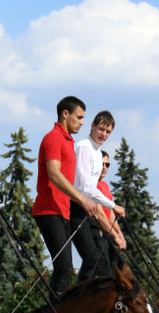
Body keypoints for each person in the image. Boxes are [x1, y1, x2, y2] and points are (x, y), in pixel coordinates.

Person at [32, 96, 100, 297]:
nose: (82, 122)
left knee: (67, 267)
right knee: (63, 266)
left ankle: (64, 311)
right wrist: (82, 200)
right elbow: (54, 174)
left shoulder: (67, 141)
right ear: (65, 114)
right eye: (79, 117)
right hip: (49, 209)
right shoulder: (53, 137)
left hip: (62, 210)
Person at [72, 112, 126, 281]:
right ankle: (78, 298)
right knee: (92, 258)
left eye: (108, 131)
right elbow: (86, 187)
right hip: (75, 206)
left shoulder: (96, 153)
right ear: (92, 126)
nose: (104, 134)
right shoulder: (84, 148)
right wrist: (112, 205)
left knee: (99, 259)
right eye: (101, 129)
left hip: (88, 209)